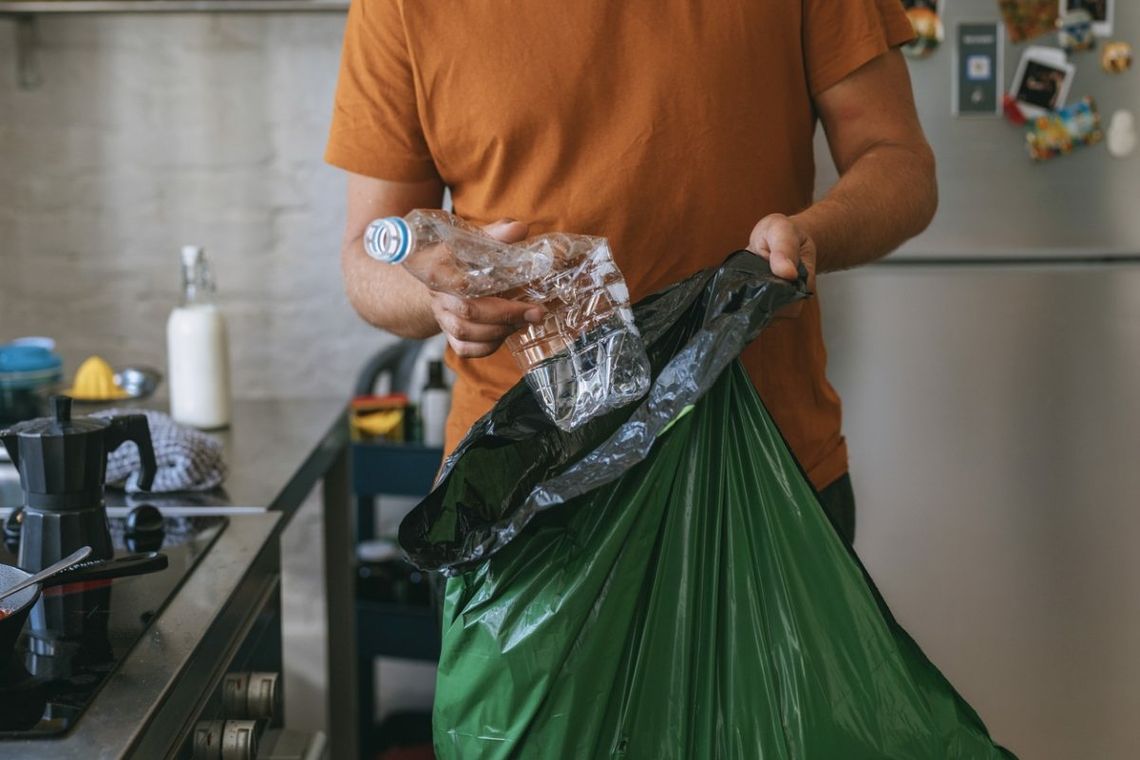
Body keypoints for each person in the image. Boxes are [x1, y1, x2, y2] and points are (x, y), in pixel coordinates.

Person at [326, 0, 937, 545]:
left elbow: (899, 162)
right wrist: (438, 296)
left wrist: (812, 238)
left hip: (763, 474)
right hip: (524, 502)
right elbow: (366, 257)